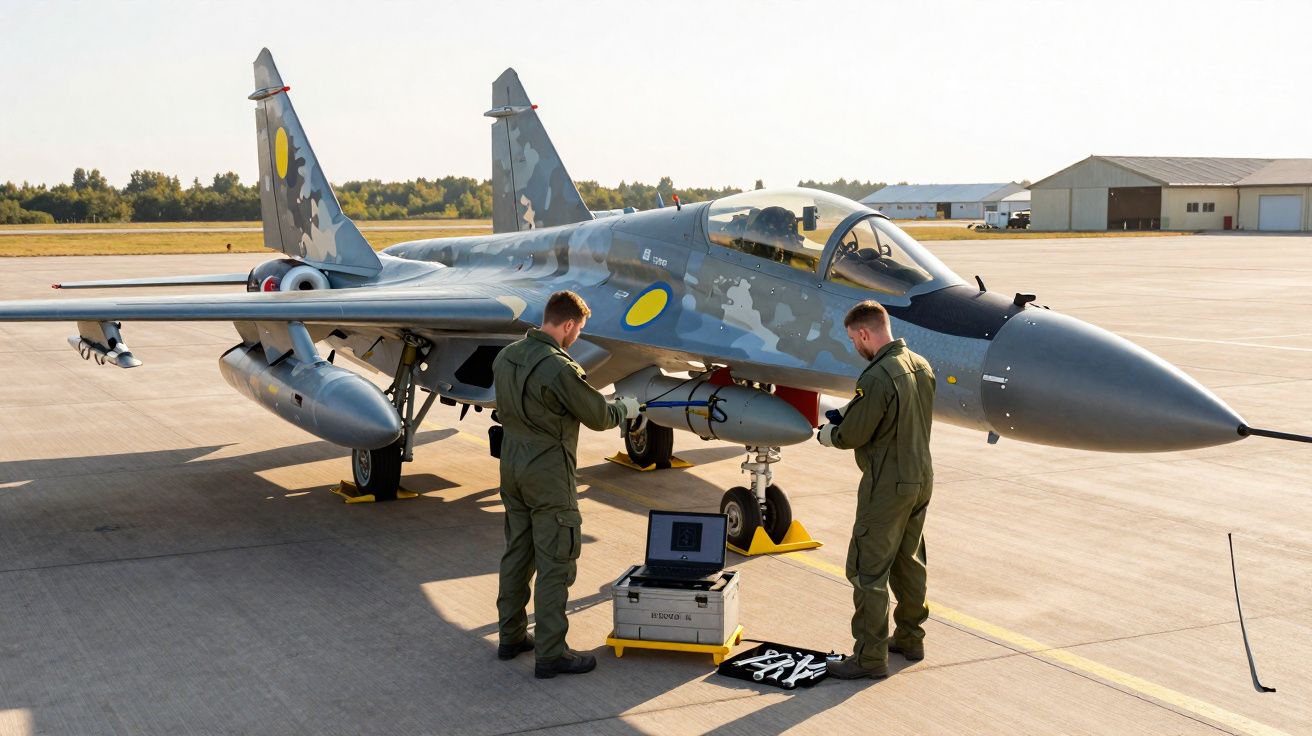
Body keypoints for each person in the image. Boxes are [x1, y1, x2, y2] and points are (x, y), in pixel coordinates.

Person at [492, 290, 641, 679]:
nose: (577, 337)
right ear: (569, 325)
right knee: (555, 563)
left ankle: (510, 637)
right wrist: (625, 408)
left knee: (517, 553)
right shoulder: (559, 367)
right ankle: (551, 653)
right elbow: (598, 416)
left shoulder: (506, 356)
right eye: (578, 330)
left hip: (512, 466)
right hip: (548, 475)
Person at [816, 300, 936, 680]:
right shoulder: (921, 365)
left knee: (867, 570)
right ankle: (911, 638)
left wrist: (829, 435)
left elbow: (853, 435)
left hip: (887, 485)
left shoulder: (877, 376)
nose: (855, 346)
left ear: (865, 333)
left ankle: (869, 658)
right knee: (908, 561)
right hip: (920, 477)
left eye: (854, 339)